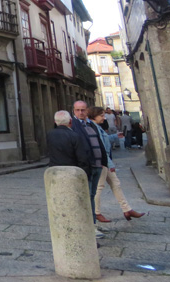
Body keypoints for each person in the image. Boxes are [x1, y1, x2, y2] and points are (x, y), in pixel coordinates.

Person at [87, 106, 146, 223]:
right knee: (99, 187)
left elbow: (104, 140)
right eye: (102, 116)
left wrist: (115, 136)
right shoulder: (92, 127)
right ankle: (96, 212)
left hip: (105, 161)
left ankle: (127, 209)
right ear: (94, 116)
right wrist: (109, 164)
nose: (104, 118)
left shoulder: (96, 127)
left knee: (116, 184)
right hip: (102, 162)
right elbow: (101, 147)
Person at [70, 100, 108, 239]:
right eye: (77, 110)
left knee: (92, 195)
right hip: (86, 167)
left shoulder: (91, 124)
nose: (80, 112)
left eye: (83, 110)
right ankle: (89, 226)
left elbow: (99, 142)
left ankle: (91, 224)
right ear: (73, 111)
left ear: (87, 111)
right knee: (87, 197)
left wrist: (104, 160)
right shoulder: (73, 125)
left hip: (98, 165)